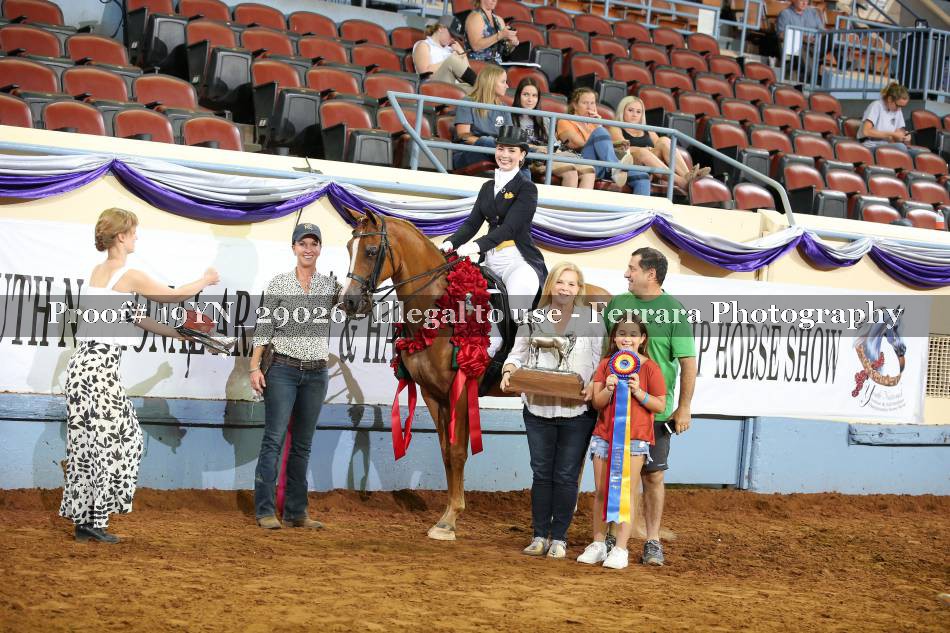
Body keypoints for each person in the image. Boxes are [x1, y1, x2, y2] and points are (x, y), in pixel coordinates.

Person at [60, 208, 220, 543]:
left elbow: (136, 317)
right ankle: (94, 522)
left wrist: (180, 334)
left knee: (90, 447)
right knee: (120, 442)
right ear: (121, 236)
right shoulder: (129, 274)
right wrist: (205, 279)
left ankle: (86, 521)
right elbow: (173, 296)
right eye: (133, 232)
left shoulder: (99, 272)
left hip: (84, 368)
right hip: (98, 370)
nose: (136, 237)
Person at [499, 262, 603, 559]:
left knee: (567, 475)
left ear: (578, 289)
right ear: (551, 285)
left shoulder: (593, 321)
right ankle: (538, 535)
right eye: (560, 282)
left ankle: (559, 538)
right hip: (538, 410)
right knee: (542, 474)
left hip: (577, 412)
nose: (565, 288)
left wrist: (594, 384)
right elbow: (517, 354)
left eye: (571, 284)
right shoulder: (532, 319)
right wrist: (508, 371)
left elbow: (599, 362)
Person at [603, 247, 697, 566]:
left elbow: (687, 363)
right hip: (615, 405)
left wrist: (684, 407)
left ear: (650, 274)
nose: (626, 273)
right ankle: (613, 534)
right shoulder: (617, 305)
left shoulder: (674, 311)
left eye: (632, 268)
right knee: (616, 472)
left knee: (652, 476)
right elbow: (606, 352)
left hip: (655, 410)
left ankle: (652, 539)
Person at [249, 222, 339, 530]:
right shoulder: (279, 283)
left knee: (303, 444)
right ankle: (265, 510)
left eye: (314, 244)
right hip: (282, 370)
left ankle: (296, 512)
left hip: (316, 372)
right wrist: (254, 367)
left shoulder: (330, 286)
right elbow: (264, 327)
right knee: (273, 440)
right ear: (294, 248)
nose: (308, 249)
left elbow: (356, 306)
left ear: (320, 249)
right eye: (303, 243)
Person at [441, 125, 547, 345]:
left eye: (511, 150)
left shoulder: (527, 188)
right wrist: (450, 243)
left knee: (517, 311)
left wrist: (475, 246)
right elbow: (472, 224)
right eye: (500, 149)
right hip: (490, 260)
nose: (504, 155)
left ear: (522, 155)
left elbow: (509, 228)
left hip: (517, 261)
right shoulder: (487, 187)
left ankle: (524, 353)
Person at [577, 315, 666, 569]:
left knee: (626, 493)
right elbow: (597, 402)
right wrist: (608, 389)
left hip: (635, 440)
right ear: (614, 338)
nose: (627, 339)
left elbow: (660, 405)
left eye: (633, 334)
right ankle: (598, 544)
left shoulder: (650, 368)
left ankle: (620, 549)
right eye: (622, 333)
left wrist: (639, 392)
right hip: (604, 437)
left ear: (643, 339)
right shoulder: (606, 365)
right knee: (601, 492)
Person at [555, 87, 652, 196]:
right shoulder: (565, 121)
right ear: (575, 105)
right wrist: (599, 130)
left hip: (604, 165)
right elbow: (576, 144)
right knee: (601, 131)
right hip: (582, 161)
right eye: (585, 103)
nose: (589, 107)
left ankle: (640, 209)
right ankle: (616, 167)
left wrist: (615, 145)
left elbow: (604, 148)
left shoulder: (595, 124)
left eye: (592, 103)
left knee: (642, 176)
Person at [610, 96, 710, 191]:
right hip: (630, 164)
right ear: (622, 111)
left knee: (664, 140)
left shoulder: (648, 130)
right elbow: (624, 149)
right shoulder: (616, 127)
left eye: (638, 112)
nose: (634, 114)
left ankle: (688, 176)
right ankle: (682, 183)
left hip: (651, 166)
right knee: (643, 152)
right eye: (630, 110)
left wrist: (649, 151)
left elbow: (661, 148)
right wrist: (644, 150)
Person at [512, 77, 595, 189]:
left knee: (589, 171)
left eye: (534, 96)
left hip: (550, 155)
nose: (530, 99)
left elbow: (555, 144)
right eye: (526, 94)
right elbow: (513, 144)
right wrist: (537, 148)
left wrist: (553, 149)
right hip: (531, 158)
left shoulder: (544, 119)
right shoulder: (511, 116)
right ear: (518, 96)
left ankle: (579, 202)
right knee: (570, 172)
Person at [453, 65, 523, 173]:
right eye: (503, 82)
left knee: (521, 159)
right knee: (489, 142)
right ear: (491, 83)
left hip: (499, 151)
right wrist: (490, 143)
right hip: (470, 151)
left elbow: (509, 139)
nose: (507, 86)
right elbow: (463, 136)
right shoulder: (467, 102)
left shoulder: (504, 108)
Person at [412, 22, 478, 91]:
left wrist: (462, 54)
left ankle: (482, 87)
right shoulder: (423, 44)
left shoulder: (451, 49)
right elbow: (424, 72)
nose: (453, 39)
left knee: (478, 92)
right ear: (440, 28)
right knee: (452, 60)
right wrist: (449, 59)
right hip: (433, 84)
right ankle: (482, 85)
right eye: (451, 35)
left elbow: (466, 73)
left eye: (455, 37)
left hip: (455, 85)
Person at [776, 0, 828, 83]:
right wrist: (802, 38)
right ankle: (811, 79)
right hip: (796, 46)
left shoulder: (812, 12)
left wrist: (827, 34)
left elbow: (822, 30)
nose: (804, 3)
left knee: (834, 36)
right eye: (801, 0)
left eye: (806, 0)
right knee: (800, 47)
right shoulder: (785, 14)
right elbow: (781, 35)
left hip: (815, 45)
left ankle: (846, 69)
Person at [858, 82, 912, 152]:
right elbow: (866, 131)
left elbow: (897, 136)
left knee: (918, 152)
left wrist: (904, 137)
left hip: (886, 144)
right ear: (890, 99)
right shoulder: (876, 105)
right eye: (898, 105)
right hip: (870, 145)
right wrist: (892, 134)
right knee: (900, 147)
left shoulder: (898, 110)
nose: (899, 109)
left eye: (902, 107)